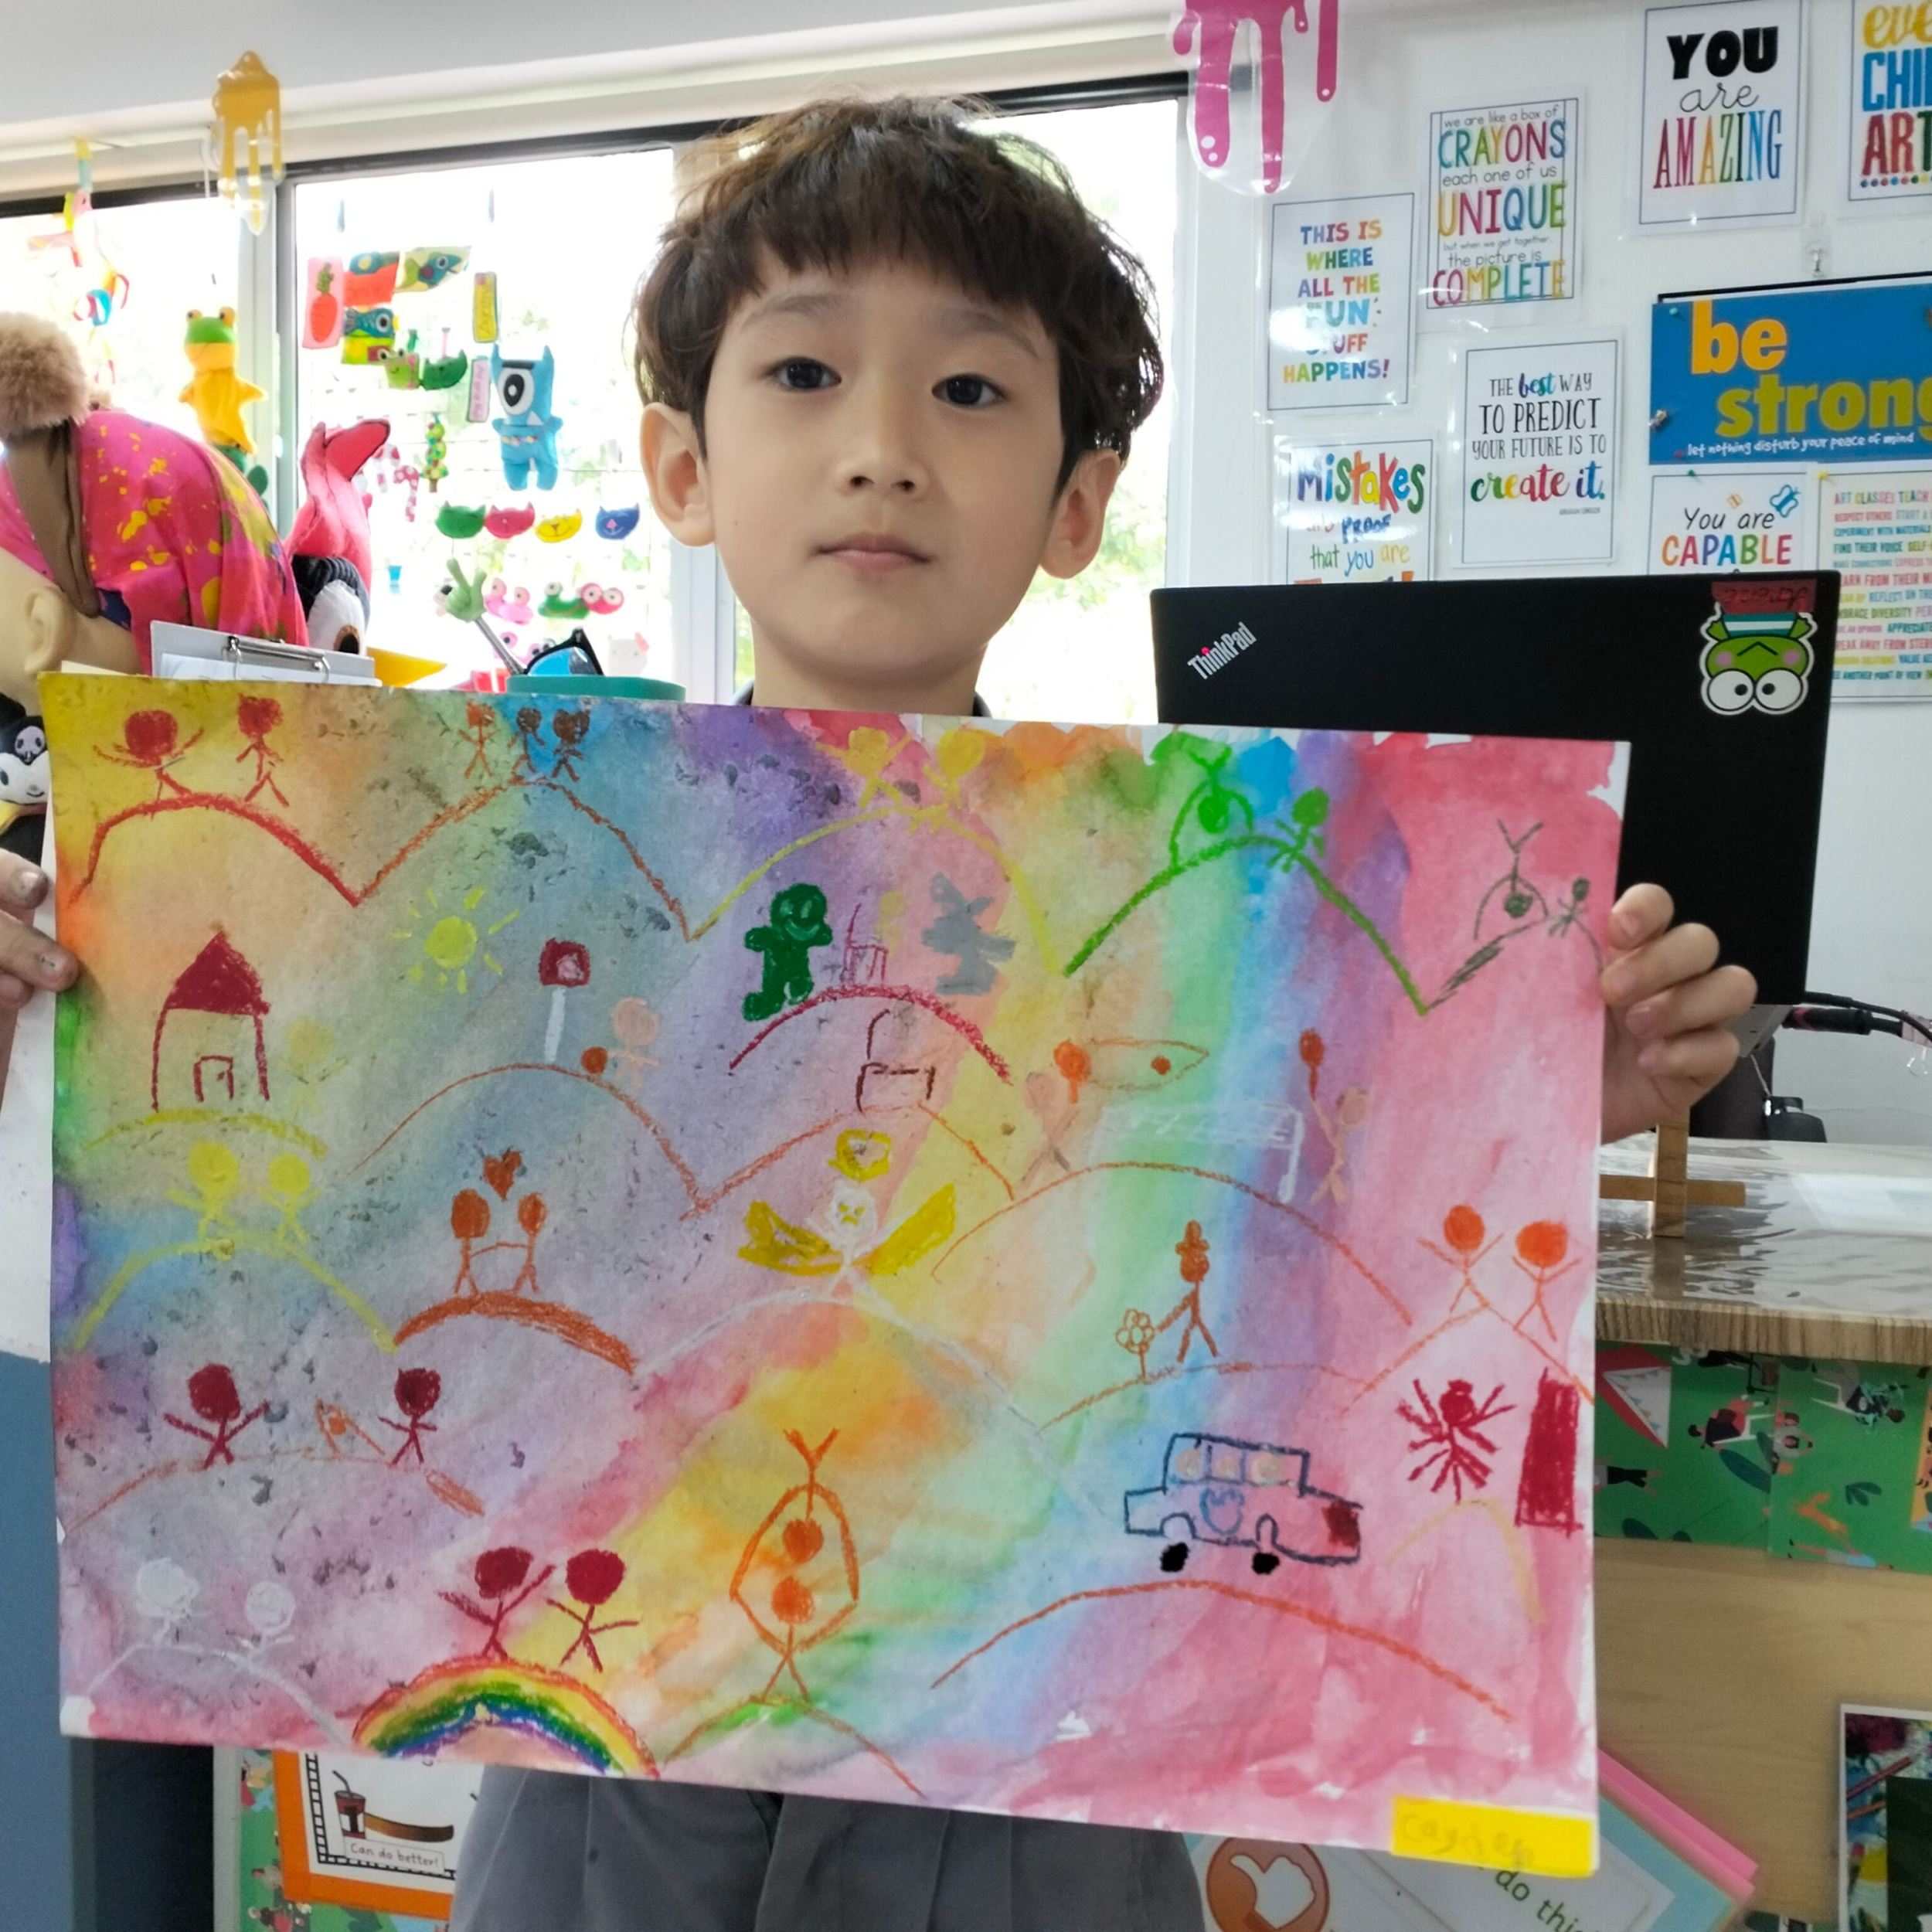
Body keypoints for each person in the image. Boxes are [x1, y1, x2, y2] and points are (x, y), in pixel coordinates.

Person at [0, 94, 1755, 1932]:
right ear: (681, 466)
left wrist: (1529, 1080)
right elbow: (269, 1188)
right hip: (611, 1789)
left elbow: (1271, 1216)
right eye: (805, 372)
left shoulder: (1188, 909)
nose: (882, 450)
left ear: (1077, 504)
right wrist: (45, 1004)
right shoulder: (519, 860)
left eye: (969, 389)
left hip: (1029, 1791)